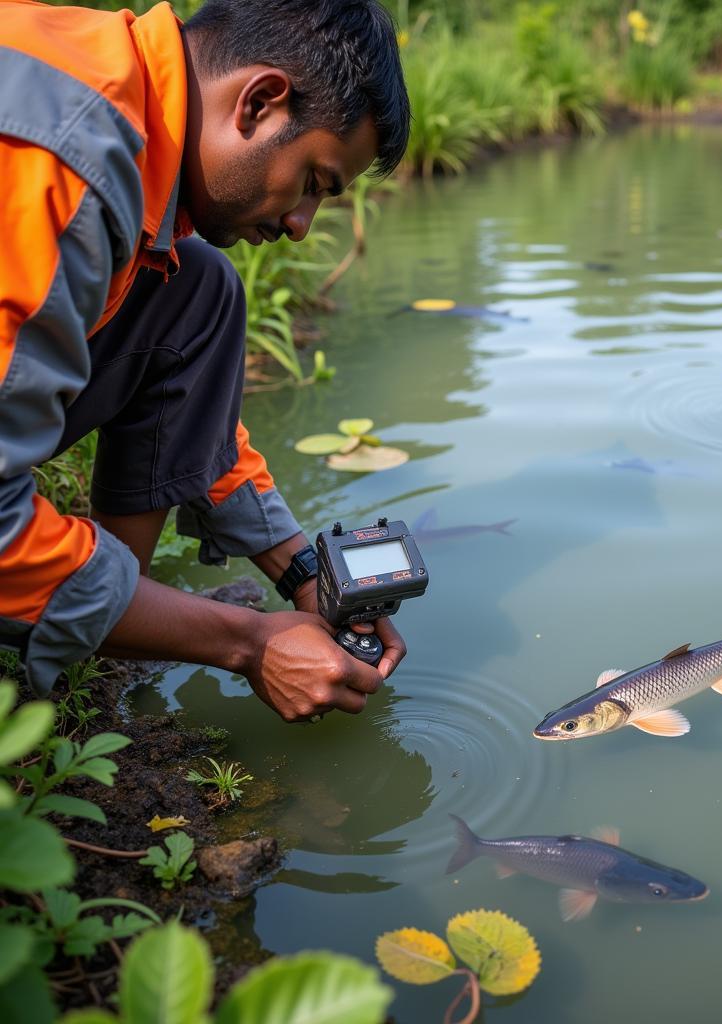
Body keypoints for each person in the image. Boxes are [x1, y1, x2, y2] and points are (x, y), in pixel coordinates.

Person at [0, 0, 411, 722]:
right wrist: (246, 643)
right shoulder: (66, 162)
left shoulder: (119, 98)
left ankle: (99, 613)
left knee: (198, 290)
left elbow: (203, 429)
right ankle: (76, 611)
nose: (298, 225)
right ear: (258, 101)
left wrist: (304, 576)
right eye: (314, 182)